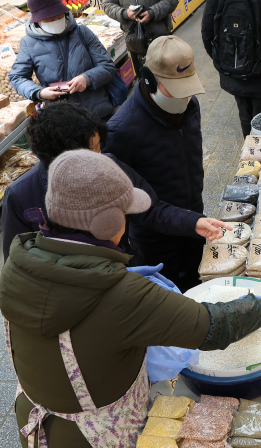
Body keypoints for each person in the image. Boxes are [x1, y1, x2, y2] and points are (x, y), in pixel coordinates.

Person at [0, 149, 261, 448]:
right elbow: (214, 325)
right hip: (96, 437)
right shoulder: (121, 294)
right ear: (107, 224)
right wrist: (259, 301)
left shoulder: (18, 266)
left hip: (36, 422)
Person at [1, 102, 231, 263]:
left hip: (122, 270)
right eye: (91, 149)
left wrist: (194, 222)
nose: (99, 154)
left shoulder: (109, 166)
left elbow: (151, 210)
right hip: (71, 297)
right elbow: (18, 262)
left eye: (98, 145)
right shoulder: (21, 197)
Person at [104, 36, 209, 292]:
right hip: (156, 239)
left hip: (194, 220)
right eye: (175, 88)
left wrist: (193, 219)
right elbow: (127, 199)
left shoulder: (189, 105)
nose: (184, 97)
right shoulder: (121, 130)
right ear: (150, 80)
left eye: (188, 87)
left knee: (197, 285)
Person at [202, 0, 261, 137]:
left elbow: (208, 28)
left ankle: (249, 152)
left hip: (235, 65)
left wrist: (223, 59)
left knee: (245, 113)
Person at [9, 0, 117, 119]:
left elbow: (107, 66)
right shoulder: (29, 43)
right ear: (37, 21)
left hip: (96, 111)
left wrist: (87, 78)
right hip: (62, 117)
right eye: (49, 20)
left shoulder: (82, 32)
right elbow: (17, 77)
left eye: (59, 16)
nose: (56, 21)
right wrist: (39, 92)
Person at [102, 0, 179, 75]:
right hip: (135, 42)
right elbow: (107, 4)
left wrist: (152, 13)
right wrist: (125, 13)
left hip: (161, 38)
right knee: (145, 80)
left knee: (170, 76)